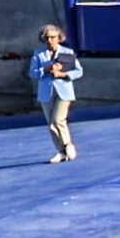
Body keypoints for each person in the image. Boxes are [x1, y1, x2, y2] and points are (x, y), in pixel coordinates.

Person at [28, 23, 83, 163]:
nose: (50, 40)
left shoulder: (67, 53)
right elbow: (33, 73)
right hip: (46, 92)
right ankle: (61, 152)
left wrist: (63, 74)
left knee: (58, 119)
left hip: (64, 91)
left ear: (59, 38)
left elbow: (78, 71)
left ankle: (67, 145)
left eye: (53, 37)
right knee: (51, 124)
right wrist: (46, 69)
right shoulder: (39, 55)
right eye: (47, 38)